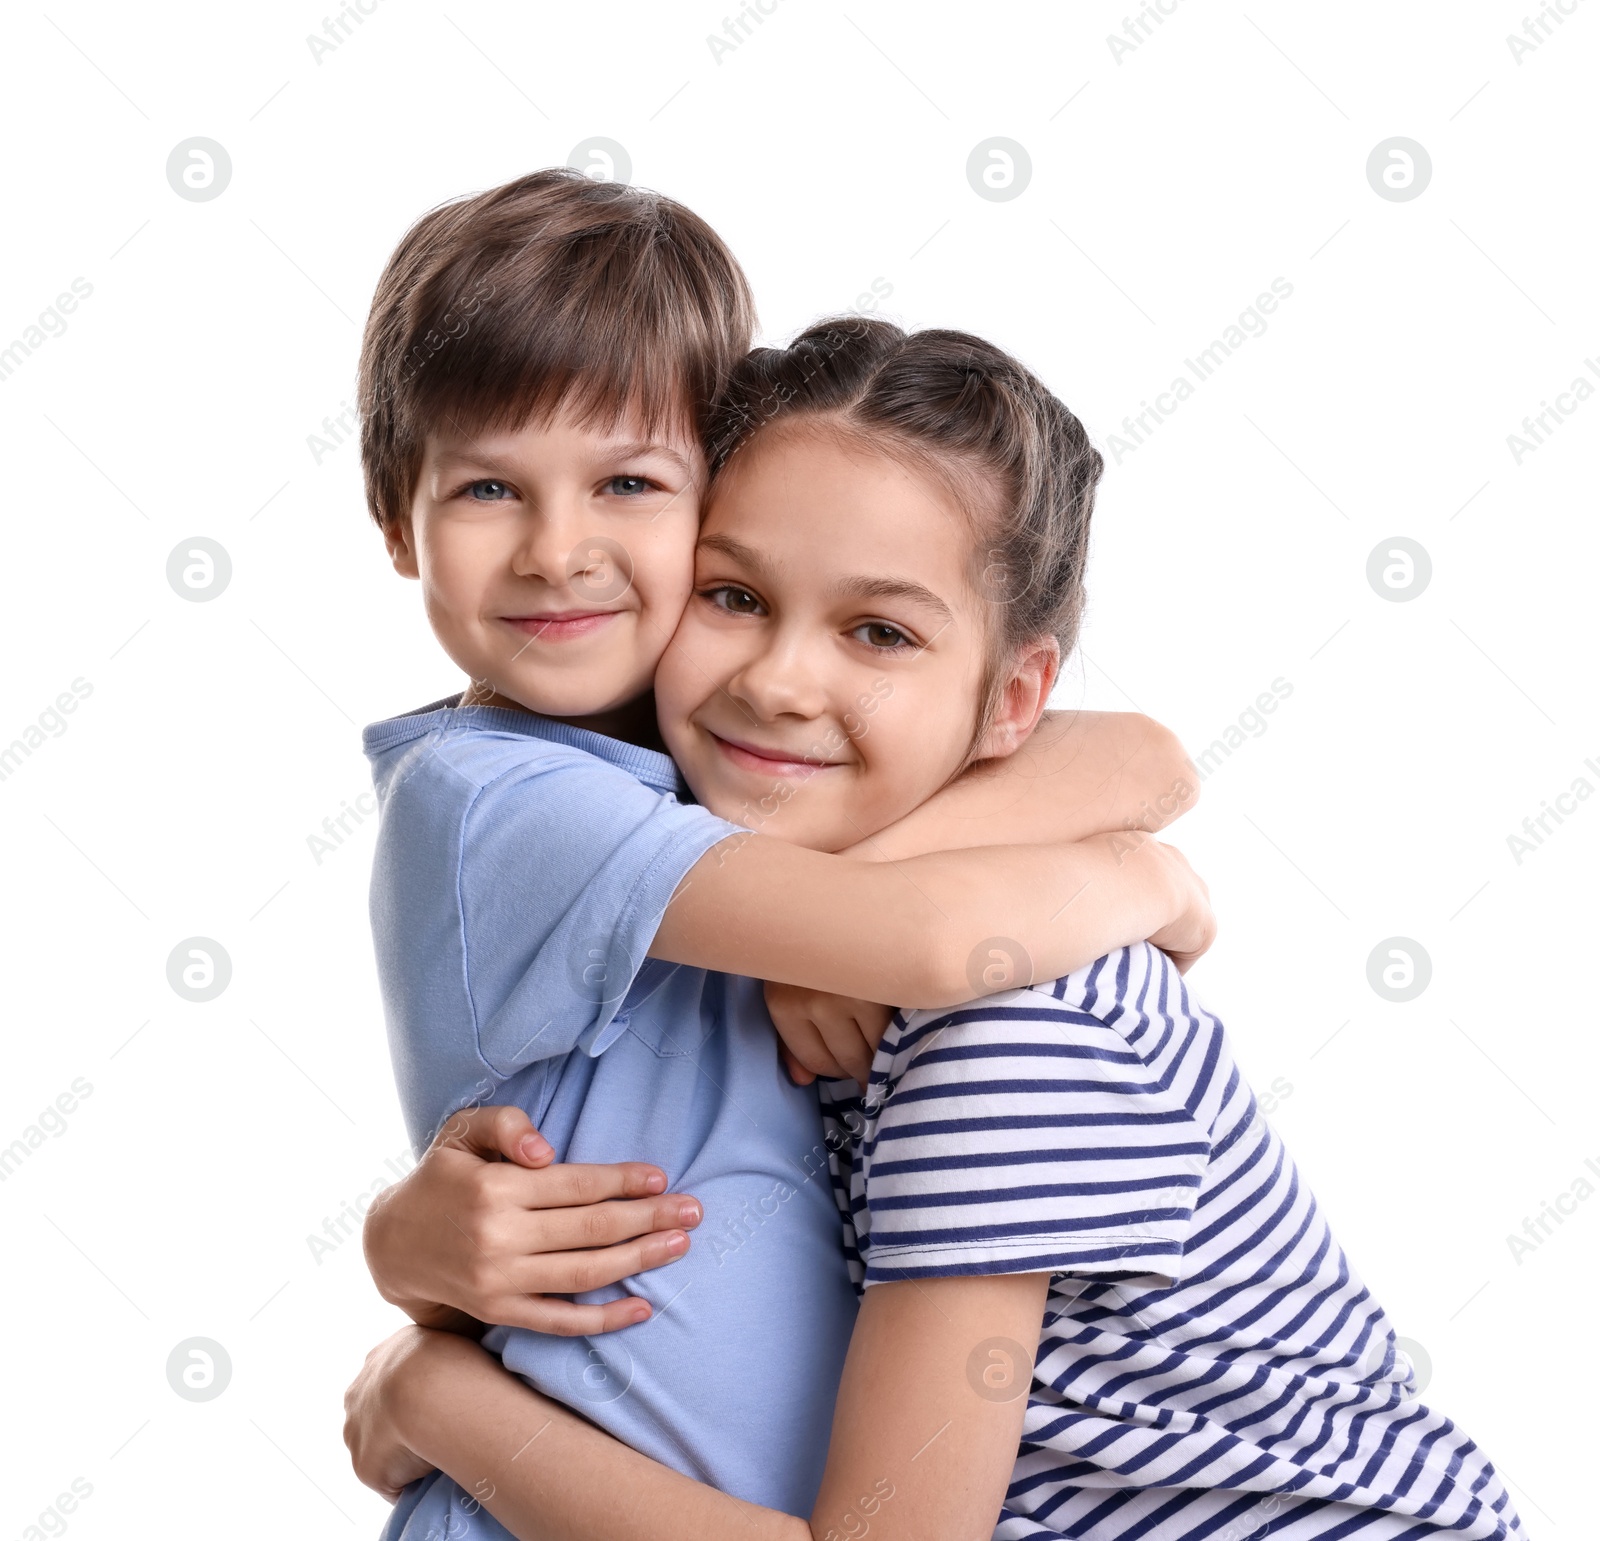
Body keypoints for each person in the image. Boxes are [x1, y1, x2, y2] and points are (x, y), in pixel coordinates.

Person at [346, 320, 1524, 1540]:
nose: (780, 681)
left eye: (880, 632)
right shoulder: (758, 899)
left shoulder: (1000, 1022)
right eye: (734, 595)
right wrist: (410, 1255)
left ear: (1013, 696)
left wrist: (432, 1394)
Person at [353, 170, 1212, 1540]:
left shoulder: (678, 764)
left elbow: (1142, 754)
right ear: (397, 521)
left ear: (701, 499)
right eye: (486, 490)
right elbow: (937, 942)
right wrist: (1151, 880)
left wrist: (872, 882)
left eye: (628, 483)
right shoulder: (498, 799)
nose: (560, 549)